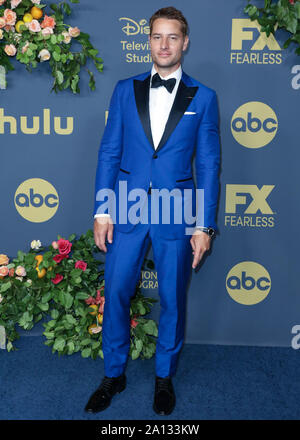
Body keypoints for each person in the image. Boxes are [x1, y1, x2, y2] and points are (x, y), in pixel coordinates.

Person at [85, 6, 220, 416]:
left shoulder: (206, 97)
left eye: (172, 37)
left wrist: (205, 226)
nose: (164, 45)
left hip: (176, 211)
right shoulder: (126, 89)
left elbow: (209, 165)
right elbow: (110, 150)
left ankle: (164, 377)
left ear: (185, 42)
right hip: (126, 207)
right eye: (157, 37)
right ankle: (114, 373)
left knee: (174, 298)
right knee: (118, 292)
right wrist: (102, 210)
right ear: (148, 42)